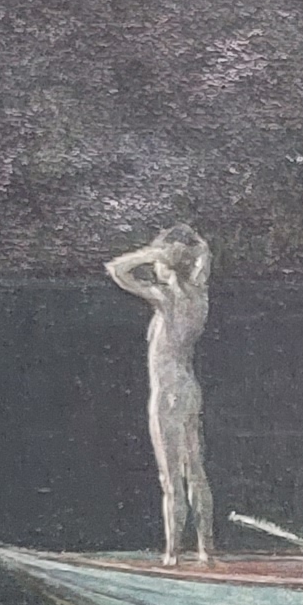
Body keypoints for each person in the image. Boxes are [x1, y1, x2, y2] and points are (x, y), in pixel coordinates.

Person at [104, 224, 217, 561]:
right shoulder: (199, 296)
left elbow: (116, 270)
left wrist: (152, 252)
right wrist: (192, 248)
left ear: (166, 264)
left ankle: (172, 555)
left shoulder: (166, 298)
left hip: (167, 391)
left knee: (171, 479)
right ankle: (206, 551)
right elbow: (204, 254)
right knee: (195, 471)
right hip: (189, 388)